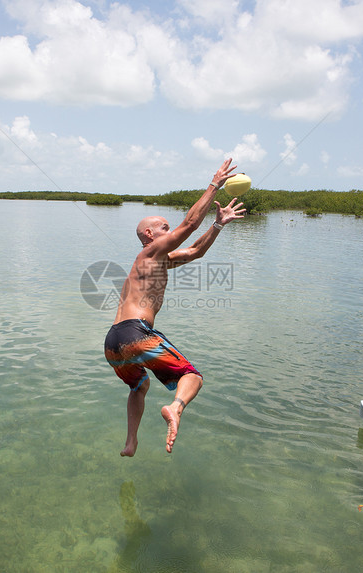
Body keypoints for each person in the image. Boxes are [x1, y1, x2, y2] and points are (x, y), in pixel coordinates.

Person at [104, 158, 246, 456]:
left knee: (139, 385)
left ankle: (131, 442)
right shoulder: (149, 253)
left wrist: (218, 224)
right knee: (191, 377)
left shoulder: (158, 260)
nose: (170, 230)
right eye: (163, 227)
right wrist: (214, 184)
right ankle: (175, 408)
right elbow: (190, 224)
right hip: (135, 333)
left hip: (113, 342)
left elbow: (195, 250)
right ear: (150, 236)